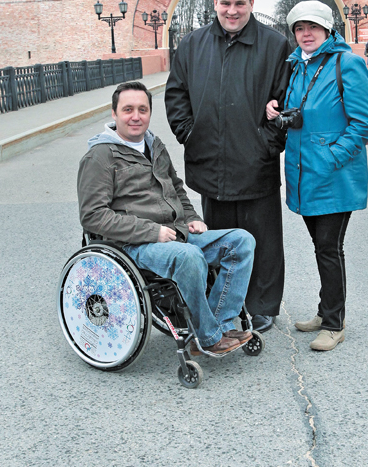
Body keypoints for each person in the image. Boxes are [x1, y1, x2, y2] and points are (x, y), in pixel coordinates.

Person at [77, 81, 256, 355]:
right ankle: (208, 337)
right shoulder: (100, 156)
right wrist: (152, 232)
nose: (135, 116)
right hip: (134, 245)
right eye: (127, 110)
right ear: (114, 114)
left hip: (176, 233)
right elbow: (93, 216)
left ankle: (220, 325)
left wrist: (192, 217)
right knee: (189, 257)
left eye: (142, 109)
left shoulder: (155, 145)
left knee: (241, 241)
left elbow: (176, 187)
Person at [165, 0, 291, 334]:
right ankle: (224, 305)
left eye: (239, 3)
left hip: (256, 162)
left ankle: (262, 305)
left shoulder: (274, 45)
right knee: (218, 240)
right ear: (215, 4)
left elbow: (284, 100)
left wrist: (268, 144)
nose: (232, 10)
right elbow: (176, 95)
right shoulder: (192, 44)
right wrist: (189, 133)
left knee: (263, 240)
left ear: (252, 4)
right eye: (225, 3)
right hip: (211, 163)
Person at [265, 1, 368, 352]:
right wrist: (276, 110)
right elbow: (297, 111)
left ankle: (334, 323)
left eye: (313, 27)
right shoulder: (298, 66)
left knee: (330, 248)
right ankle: (325, 309)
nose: (306, 33)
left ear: (328, 30)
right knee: (321, 246)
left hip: (334, 175)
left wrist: (330, 158)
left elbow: (363, 125)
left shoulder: (349, 64)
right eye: (299, 28)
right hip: (304, 172)